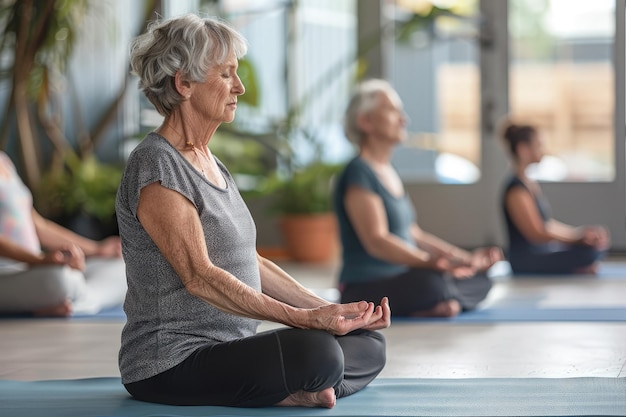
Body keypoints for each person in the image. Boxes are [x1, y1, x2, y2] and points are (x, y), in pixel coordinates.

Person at [116, 14, 390, 409]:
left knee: (367, 343)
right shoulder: (157, 165)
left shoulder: (210, 162)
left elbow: (250, 262)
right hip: (171, 362)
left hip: (233, 349)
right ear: (184, 83)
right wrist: (303, 320)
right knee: (318, 353)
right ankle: (296, 385)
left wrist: (328, 311)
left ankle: (298, 387)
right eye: (226, 74)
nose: (240, 87)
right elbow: (200, 277)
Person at [334, 79, 502, 318]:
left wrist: (465, 259)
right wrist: (432, 262)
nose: (404, 119)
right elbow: (377, 240)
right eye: (392, 111)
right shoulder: (358, 172)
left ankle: (443, 302)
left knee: (479, 278)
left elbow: (415, 234)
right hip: (368, 285)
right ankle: (442, 301)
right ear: (365, 121)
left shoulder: (389, 171)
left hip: (405, 275)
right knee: (432, 283)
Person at [0, 151, 126, 317]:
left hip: (32, 268)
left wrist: (97, 249)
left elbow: (40, 226)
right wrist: (39, 261)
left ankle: (76, 304)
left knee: (126, 266)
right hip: (7, 273)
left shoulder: (4, 160)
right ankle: (76, 300)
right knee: (61, 280)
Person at [500, 121, 610, 275]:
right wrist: (576, 239)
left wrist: (580, 234)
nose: (543, 151)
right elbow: (536, 233)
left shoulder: (529, 183)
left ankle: (577, 266)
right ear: (523, 149)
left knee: (594, 247)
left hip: (541, 250)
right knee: (589, 252)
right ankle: (577, 267)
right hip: (525, 259)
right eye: (538, 145)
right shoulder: (516, 190)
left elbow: (546, 224)